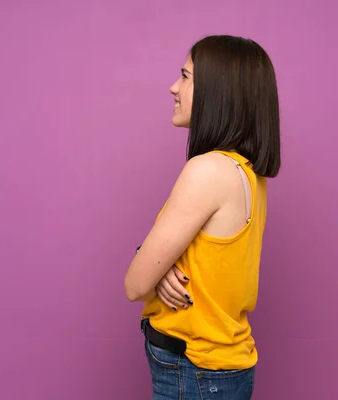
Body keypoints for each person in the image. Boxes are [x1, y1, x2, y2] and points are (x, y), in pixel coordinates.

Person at [124, 34, 281, 400]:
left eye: (185, 76)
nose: (173, 87)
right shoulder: (245, 172)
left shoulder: (208, 170)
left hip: (193, 371)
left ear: (217, 90)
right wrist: (157, 266)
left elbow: (135, 285)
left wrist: (150, 265)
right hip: (219, 369)